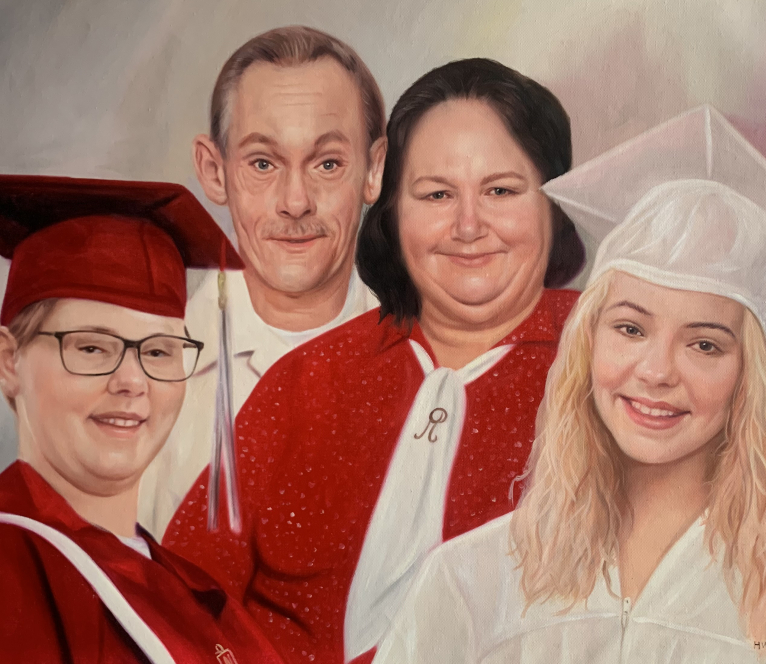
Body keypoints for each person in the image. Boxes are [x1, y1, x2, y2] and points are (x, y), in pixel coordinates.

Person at [165, 58, 586, 664]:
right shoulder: (307, 379)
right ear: (391, 209)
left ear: (554, 203)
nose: (469, 226)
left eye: (501, 190)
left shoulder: (613, 359)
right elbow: (181, 592)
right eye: (436, 194)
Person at [374, 106, 766, 663]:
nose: (656, 371)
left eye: (705, 344)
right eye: (629, 328)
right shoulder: (474, 580)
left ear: (752, 378)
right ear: (587, 343)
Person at [0, 175, 283, 664]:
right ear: (8, 362)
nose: (132, 381)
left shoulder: (193, 591)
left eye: (159, 351)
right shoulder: (14, 569)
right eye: (91, 347)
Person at [138, 26, 386, 539]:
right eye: (263, 163)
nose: (295, 201)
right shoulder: (144, 373)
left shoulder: (428, 365)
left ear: (374, 169)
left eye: (328, 163)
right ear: (214, 171)